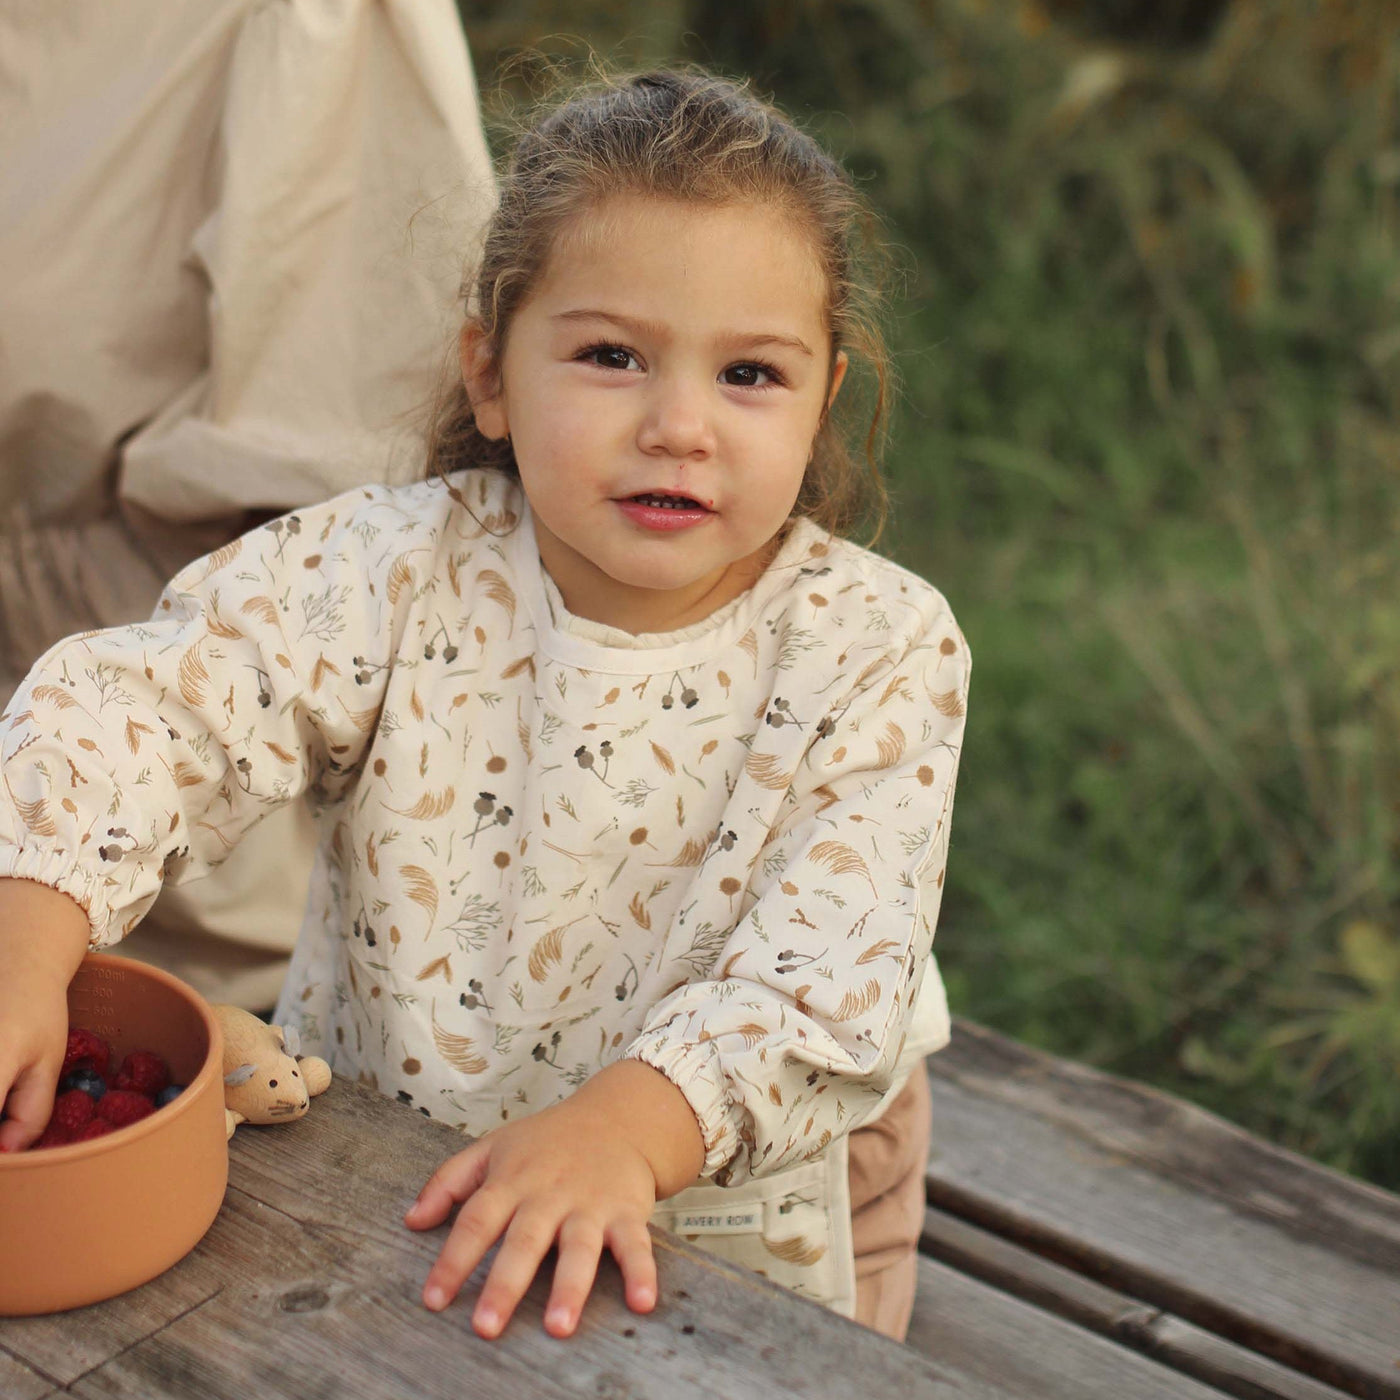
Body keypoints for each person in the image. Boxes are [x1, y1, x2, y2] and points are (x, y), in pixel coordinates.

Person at [0, 69, 969, 1343]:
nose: (679, 424)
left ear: (823, 396)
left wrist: (624, 1131)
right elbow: (156, 702)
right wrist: (25, 923)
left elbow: (821, 983)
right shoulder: (392, 571)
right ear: (491, 375)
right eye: (611, 356)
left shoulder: (877, 645)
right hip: (405, 1154)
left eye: (748, 374)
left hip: (747, 1176)